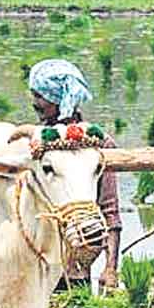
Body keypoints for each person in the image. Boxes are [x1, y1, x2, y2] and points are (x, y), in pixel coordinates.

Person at [27, 59, 121, 291]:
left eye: (40, 96)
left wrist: (110, 268)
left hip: (75, 268)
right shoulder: (35, 143)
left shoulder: (96, 143)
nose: (34, 103)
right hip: (35, 268)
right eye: (34, 95)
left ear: (58, 99)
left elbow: (109, 211)